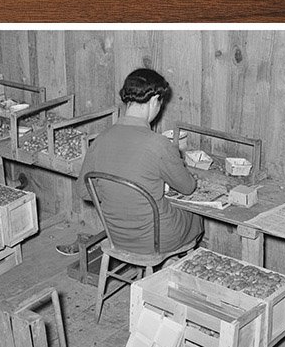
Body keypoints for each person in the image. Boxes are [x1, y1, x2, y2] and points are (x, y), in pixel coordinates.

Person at [79, 68, 203, 255]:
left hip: (116, 236)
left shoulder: (100, 140)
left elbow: (84, 191)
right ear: (154, 101)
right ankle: (174, 263)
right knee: (195, 216)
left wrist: (121, 193)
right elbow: (188, 188)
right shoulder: (158, 144)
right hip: (156, 240)